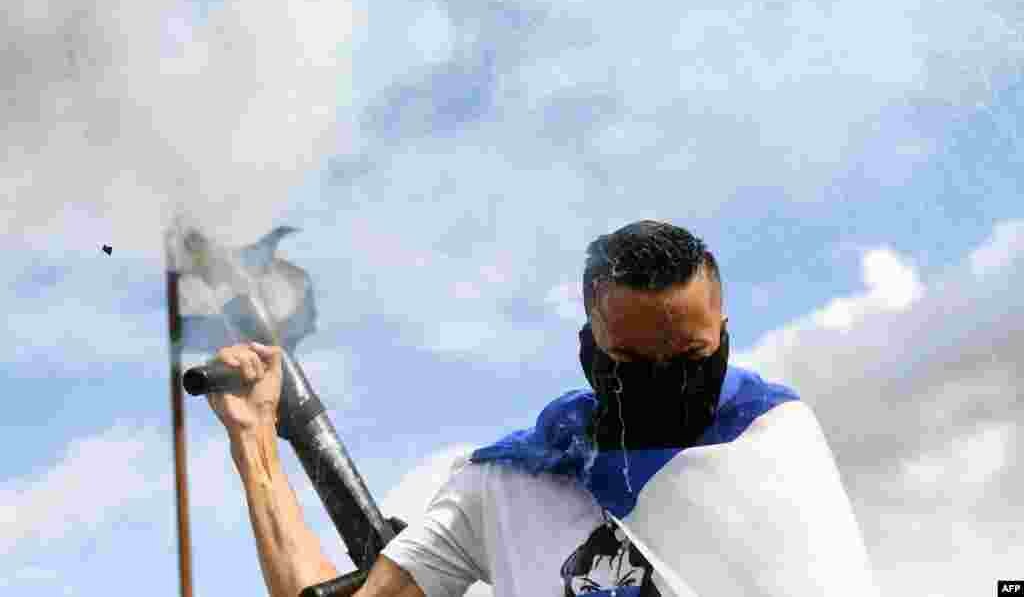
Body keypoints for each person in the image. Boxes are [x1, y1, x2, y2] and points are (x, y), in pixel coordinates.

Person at [208, 220, 879, 597]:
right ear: (591, 351)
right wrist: (259, 444)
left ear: (724, 334)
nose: (671, 384)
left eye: (693, 358)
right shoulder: (505, 483)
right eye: (637, 366)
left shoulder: (773, 438)